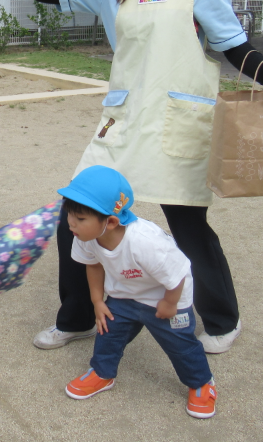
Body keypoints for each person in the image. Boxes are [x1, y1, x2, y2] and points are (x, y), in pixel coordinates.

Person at [0, 0, 263, 354]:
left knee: (187, 225)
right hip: (122, 120)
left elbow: (234, 46)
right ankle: (75, 317)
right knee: (76, 215)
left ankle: (222, 319)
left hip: (177, 121)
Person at [59, 165, 217, 419]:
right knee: (108, 332)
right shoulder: (85, 236)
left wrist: (169, 303)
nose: (70, 224)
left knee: (180, 344)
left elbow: (177, 275)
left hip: (167, 297)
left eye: (80, 219)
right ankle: (102, 372)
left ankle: (201, 382)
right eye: (69, 215)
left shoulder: (145, 242)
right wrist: (97, 300)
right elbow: (94, 265)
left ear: (110, 222)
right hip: (125, 295)